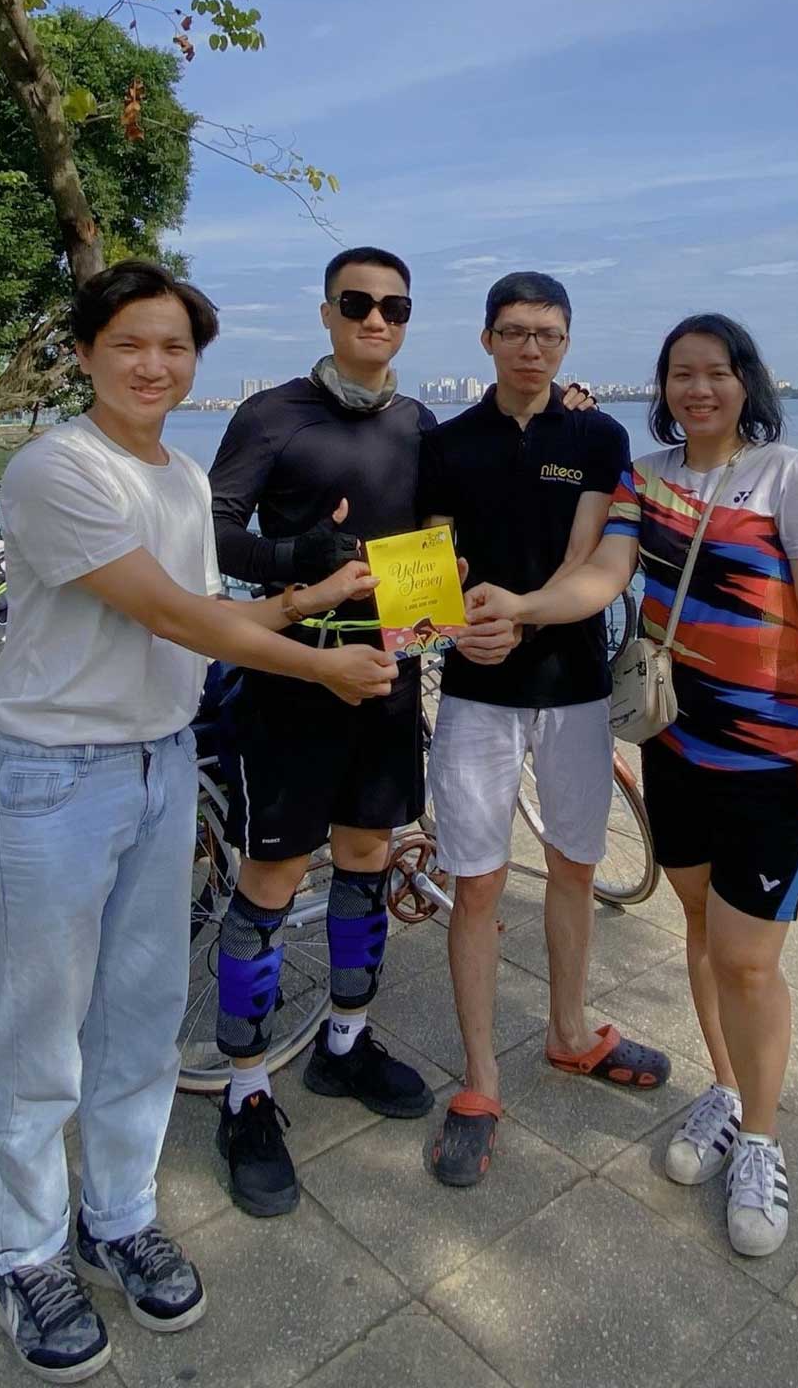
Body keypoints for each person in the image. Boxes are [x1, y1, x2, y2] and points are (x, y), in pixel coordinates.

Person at [0, 260, 396, 1381]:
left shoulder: (173, 474)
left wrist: (305, 600)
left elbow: (203, 612)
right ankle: (19, 1248)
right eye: (130, 344)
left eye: (175, 346)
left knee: (145, 1014)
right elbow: (167, 610)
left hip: (160, 767)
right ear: (84, 354)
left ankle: (118, 1211)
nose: (155, 364)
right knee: (38, 1027)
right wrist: (319, 664)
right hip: (57, 777)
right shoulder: (59, 466)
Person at [465, 313, 798, 1257]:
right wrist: (524, 605)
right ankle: (725, 1090)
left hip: (770, 757)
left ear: (744, 382)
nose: (698, 390)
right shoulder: (648, 478)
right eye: (681, 375)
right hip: (677, 746)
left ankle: (759, 1140)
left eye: (715, 373)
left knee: (750, 959)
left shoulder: (786, 475)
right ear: (664, 387)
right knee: (699, 933)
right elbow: (603, 573)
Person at [417, 272, 672, 1186]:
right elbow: (429, 563)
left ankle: (570, 1031)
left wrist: (518, 616)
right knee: (477, 883)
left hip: (572, 692)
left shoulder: (599, 436)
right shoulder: (444, 444)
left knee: (573, 865)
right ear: (486, 339)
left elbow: (592, 562)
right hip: (475, 701)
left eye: (550, 334)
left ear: (568, 344)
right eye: (516, 331)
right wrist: (455, 628)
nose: (533, 348)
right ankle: (481, 1079)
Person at [206, 247, 438, 1217]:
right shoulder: (272, 414)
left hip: (390, 675)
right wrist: (292, 557)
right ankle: (245, 1086)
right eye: (357, 302)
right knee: (268, 879)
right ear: (328, 310)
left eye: (392, 305)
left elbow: (440, 537)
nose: (375, 318)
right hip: (291, 677)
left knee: (366, 857)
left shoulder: (419, 423)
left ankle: (345, 1039)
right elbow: (211, 525)